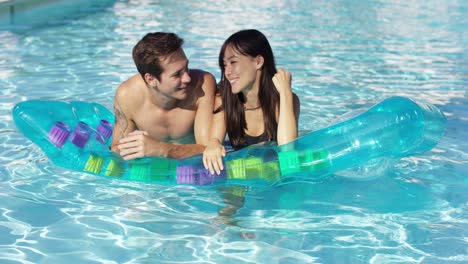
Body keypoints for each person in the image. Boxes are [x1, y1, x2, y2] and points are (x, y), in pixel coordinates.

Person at [203, 29, 300, 175]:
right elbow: (214, 140)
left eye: (233, 62)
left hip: (274, 176)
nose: (227, 72)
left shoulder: (285, 101)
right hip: (239, 176)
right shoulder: (224, 99)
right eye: (224, 65)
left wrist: (285, 93)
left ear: (258, 61)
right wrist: (213, 144)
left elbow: (287, 150)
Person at [111, 32, 216, 160]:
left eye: (186, 67)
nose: (187, 78)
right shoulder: (127, 96)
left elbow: (210, 149)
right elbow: (117, 149)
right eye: (177, 74)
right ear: (151, 79)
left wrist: (161, 149)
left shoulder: (202, 85)